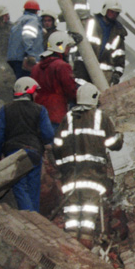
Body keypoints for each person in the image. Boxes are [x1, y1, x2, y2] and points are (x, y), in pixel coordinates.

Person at [53, 83, 123, 246]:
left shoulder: (68, 118)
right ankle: (85, 245)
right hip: (93, 174)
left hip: (71, 175)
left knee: (72, 211)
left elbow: (57, 145)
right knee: (88, 212)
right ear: (94, 98)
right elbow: (114, 144)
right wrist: (119, 137)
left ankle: (70, 245)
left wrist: (62, 166)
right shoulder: (100, 117)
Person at [0, 77, 55, 212]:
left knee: (19, 186)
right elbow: (48, 134)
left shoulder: (5, 109)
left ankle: (27, 214)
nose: (36, 95)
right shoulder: (40, 110)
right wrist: (46, 144)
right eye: (34, 92)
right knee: (33, 188)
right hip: (34, 152)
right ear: (28, 91)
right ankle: (33, 216)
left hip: (13, 153)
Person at [31, 31, 78, 128]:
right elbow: (70, 90)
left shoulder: (36, 67)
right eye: (67, 46)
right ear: (61, 46)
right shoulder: (62, 66)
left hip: (38, 113)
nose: (68, 49)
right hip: (56, 113)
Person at [81, 0, 127, 85]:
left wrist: (117, 74)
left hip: (104, 76)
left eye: (116, 13)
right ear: (105, 10)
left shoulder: (118, 33)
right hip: (84, 69)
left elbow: (120, 57)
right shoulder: (90, 23)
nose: (114, 15)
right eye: (111, 12)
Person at [6, 0, 43, 80]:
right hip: (24, 59)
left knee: (20, 81)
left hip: (14, 58)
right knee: (26, 82)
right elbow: (28, 37)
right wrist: (31, 54)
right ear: (36, 12)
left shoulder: (19, 20)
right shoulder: (32, 20)